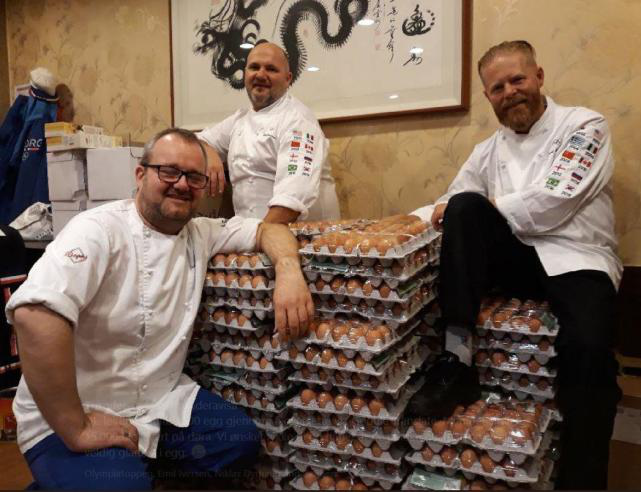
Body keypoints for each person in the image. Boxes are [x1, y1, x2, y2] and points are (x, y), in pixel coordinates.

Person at [5, 128, 314, 489]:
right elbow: (35, 316)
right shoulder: (97, 230)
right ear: (140, 174)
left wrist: (289, 271)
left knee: (236, 442)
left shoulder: (201, 233)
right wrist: (77, 427)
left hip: (158, 404)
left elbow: (268, 230)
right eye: (168, 171)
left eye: (194, 177)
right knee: (122, 486)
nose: (181, 184)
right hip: (72, 411)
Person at [409, 41, 622, 490]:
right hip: (519, 259)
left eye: (517, 80)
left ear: (538, 76)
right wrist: (405, 222)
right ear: (488, 97)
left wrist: (487, 206)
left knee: (588, 351)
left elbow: (557, 198)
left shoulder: (584, 126)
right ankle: (457, 361)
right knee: (464, 206)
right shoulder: (489, 149)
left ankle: (582, 479)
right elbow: (451, 202)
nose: (510, 93)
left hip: (577, 257)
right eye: (498, 88)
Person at [197, 40, 340, 224]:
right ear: (245, 74)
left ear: (288, 79)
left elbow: (291, 202)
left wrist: (260, 236)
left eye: (271, 69)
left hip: (302, 235)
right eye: (254, 67)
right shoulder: (240, 119)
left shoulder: (298, 121)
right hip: (252, 232)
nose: (260, 74)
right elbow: (195, 141)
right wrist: (208, 151)